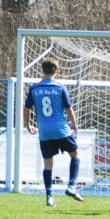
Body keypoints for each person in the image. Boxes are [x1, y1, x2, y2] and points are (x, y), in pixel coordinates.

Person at [24, 58, 84, 207]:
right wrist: (75, 124)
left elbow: (26, 109)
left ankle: (49, 196)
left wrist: (28, 125)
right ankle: (71, 185)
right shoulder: (59, 87)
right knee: (76, 154)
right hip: (61, 129)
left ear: (42, 70)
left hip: (44, 132)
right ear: (56, 71)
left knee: (48, 164)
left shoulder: (35, 88)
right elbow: (69, 109)